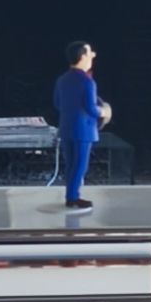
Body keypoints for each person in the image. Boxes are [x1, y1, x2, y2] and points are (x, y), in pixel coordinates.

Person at [51, 38, 104, 209]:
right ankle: (72, 197)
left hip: (66, 128)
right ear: (82, 57)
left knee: (70, 164)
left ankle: (71, 195)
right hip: (84, 130)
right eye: (89, 53)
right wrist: (104, 112)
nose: (93, 56)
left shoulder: (62, 79)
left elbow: (57, 103)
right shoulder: (88, 82)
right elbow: (91, 108)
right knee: (80, 165)